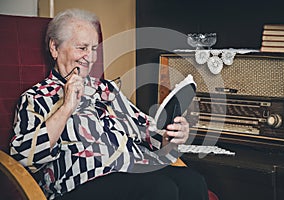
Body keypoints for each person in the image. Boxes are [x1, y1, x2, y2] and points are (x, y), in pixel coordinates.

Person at [10, 8, 208, 200]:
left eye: (94, 49)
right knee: (160, 190)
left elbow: (149, 133)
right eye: (82, 48)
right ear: (54, 47)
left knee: (193, 181)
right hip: (80, 182)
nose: (90, 58)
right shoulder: (36, 97)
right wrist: (66, 108)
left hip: (132, 169)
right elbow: (24, 157)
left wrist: (171, 135)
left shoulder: (106, 89)